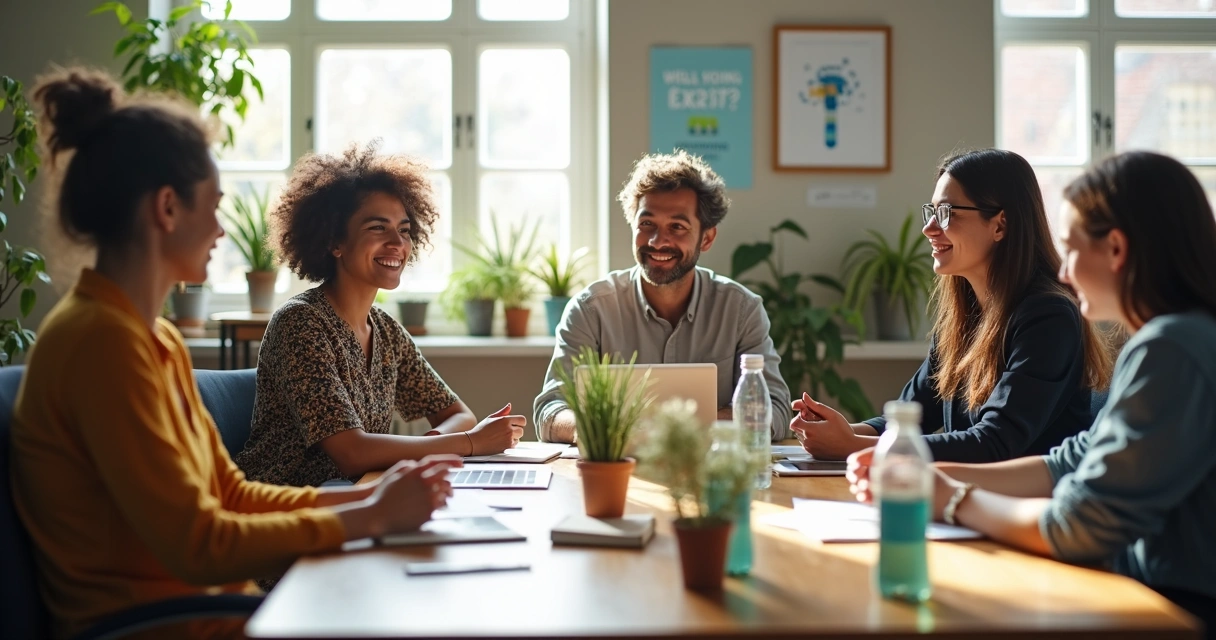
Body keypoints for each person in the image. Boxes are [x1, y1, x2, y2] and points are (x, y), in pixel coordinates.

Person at [10, 69, 459, 640]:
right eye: (214, 206)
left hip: (221, 609)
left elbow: (231, 494)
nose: (222, 230)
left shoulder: (154, 337)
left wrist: (373, 496)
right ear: (167, 209)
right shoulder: (100, 343)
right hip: (166, 625)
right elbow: (200, 545)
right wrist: (369, 514)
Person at [849, 151, 1216, 636]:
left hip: (1175, 611)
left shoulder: (1170, 349)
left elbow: (1078, 523)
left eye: (1071, 248)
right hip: (1143, 593)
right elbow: (1068, 464)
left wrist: (955, 498)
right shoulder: (1174, 341)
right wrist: (924, 474)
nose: (1063, 272)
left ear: (1117, 249)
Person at [235, 143, 525, 488]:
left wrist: (433, 444)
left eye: (404, 230)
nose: (397, 243)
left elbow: (459, 414)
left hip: (356, 499)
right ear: (335, 242)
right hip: (289, 506)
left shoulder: (386, 330)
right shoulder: (300, 324)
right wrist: (470, 443)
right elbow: (352, 452)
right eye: (377, 228)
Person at [792, 149, 1111, 463]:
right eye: (930, 212)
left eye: (946, 213)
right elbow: (911, 417)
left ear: (1000, 225)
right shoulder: (965, 316)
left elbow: (994, 443)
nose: (929, 228)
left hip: (1026, 507)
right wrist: (839, 431)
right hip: (969, 499)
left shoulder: (1049, 317)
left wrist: (851, 446)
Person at [533, 150, 791, 443]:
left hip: (709, 476)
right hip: (617, 470)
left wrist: (673, 428)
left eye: (677, 227)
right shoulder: (590, 309)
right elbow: (551, 411)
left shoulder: (740, 310)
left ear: (706, 238)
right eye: (647, 224)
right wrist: (597, 430)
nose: (658, 241)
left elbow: (777, 412)